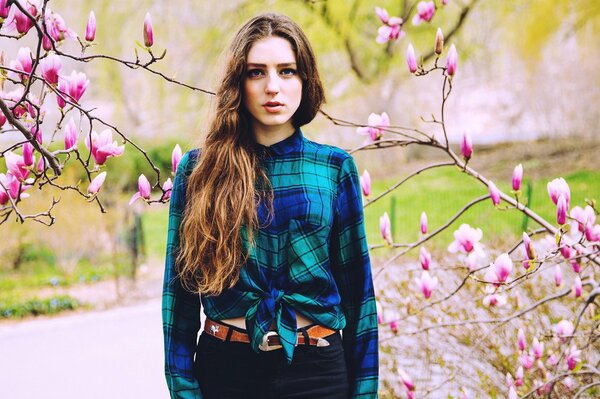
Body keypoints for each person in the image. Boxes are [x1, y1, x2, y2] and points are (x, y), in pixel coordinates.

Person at [162, 13, 378, 399]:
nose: (272, 87)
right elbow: (177, 302)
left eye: (287, 71)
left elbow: (360, 298)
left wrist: (364, 393)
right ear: (238, 83)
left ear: (305, 79)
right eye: (256, 72)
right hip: (226, 372)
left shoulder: (334, 168)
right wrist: (184, 390)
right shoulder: (199, 171)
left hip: (318, 374)